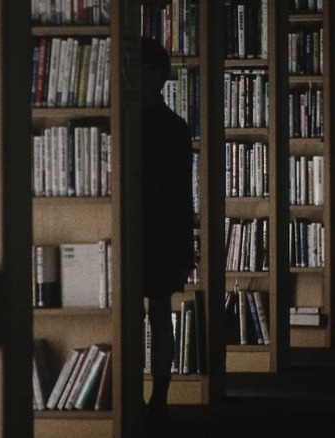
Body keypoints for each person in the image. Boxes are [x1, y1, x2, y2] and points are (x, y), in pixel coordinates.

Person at [139, 37, 195, 428]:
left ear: (161, 76)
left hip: (158, 234)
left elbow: (180, 195)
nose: (142, 77)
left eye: (148, 70)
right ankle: (141, 394)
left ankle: (159, 395)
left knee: (160, 314)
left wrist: (183, 254)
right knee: (145, 316)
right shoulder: (165, 125)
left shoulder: (174, 128)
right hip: (136, 233)